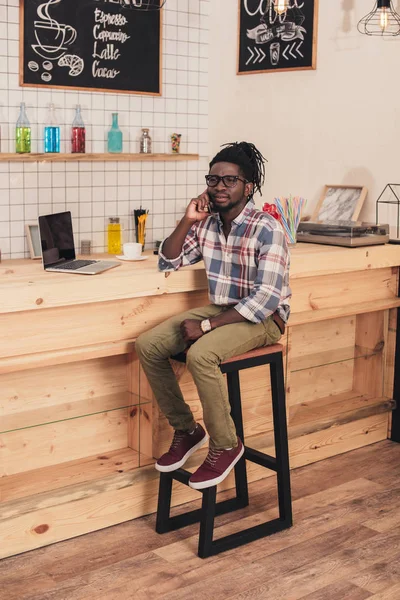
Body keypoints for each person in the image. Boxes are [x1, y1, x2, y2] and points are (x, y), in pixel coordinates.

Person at [135, 141, 291, 490]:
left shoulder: (267, 228)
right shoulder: (207, 224)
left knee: (201, 354)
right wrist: (188, 219)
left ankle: (225, 444)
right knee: (148, 345)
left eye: (229, 181)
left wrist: (206, 325)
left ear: (247, 186)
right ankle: (188, 430)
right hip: (224, 308)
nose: (219, 187)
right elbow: (168, 260)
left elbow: (266, 298)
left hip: (263, 319)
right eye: (213, 179)